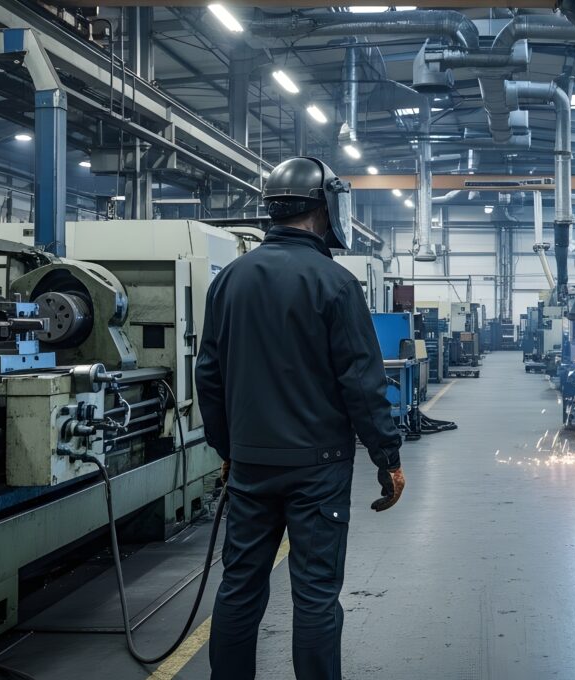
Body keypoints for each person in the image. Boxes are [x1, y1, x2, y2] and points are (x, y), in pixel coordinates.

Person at [196, 156, 406, 680]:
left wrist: (228, 451)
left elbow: (209, 376)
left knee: (240, 586)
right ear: (324, 208)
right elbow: (362, 382)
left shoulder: (229, 282)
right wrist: (388, 457)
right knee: (314, 594)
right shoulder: (334, 284)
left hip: (251, 464)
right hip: (319, 467)